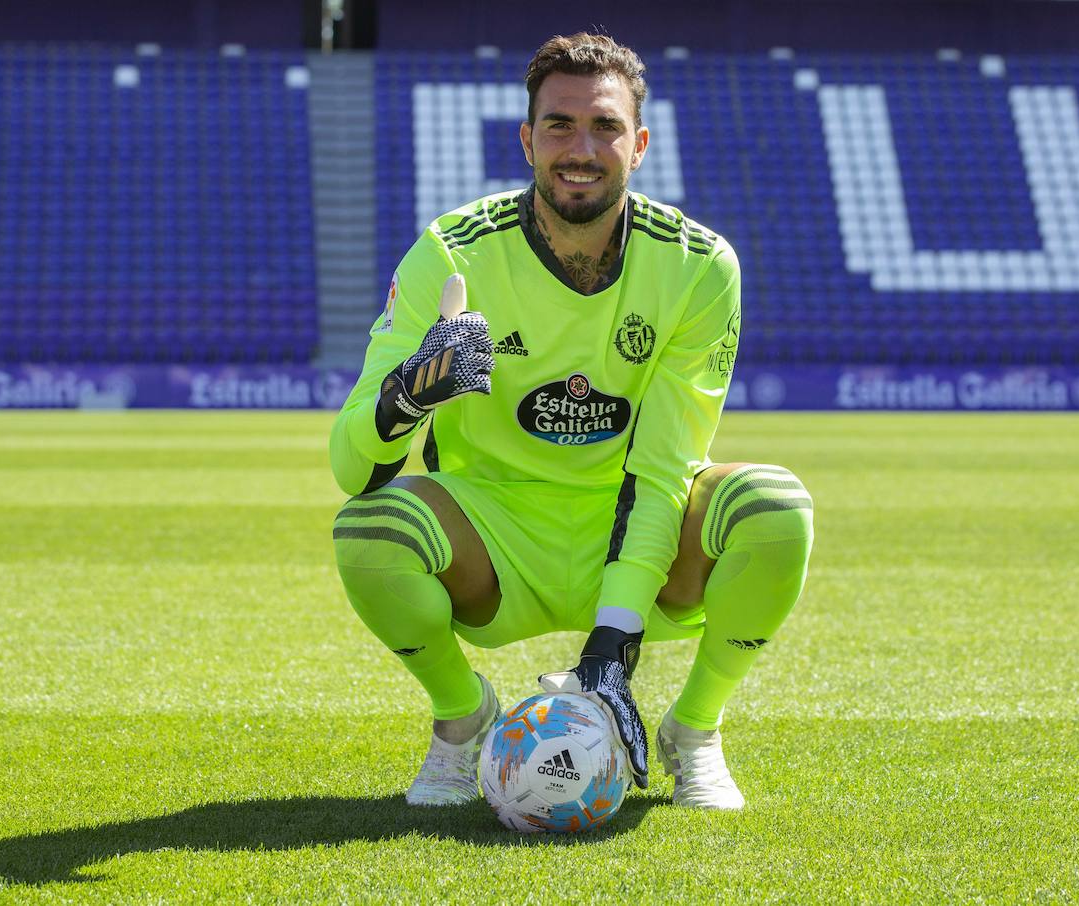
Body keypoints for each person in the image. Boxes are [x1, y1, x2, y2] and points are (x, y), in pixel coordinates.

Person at [330, 33, 813, 810]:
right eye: (559, 125)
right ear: (527, 139)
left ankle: (695, 729)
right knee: (370, 530)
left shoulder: (698, 265)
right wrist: (408, 396)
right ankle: (463, 721)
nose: (580, 149)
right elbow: (352, 470)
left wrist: (614, 645)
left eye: (605, 127)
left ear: (641, 144)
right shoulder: (450, 255)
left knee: (774, 509)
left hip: (634, 536)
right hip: (494, 536)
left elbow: (662, 470)